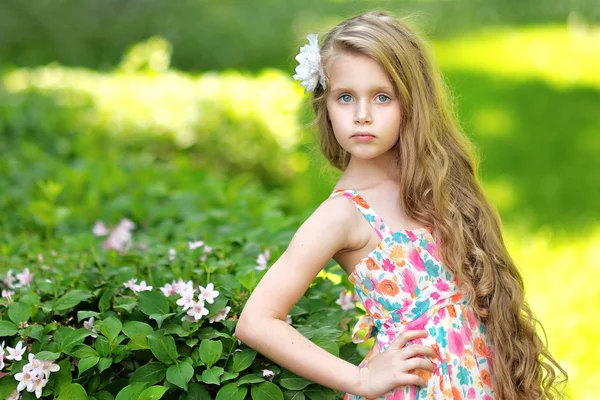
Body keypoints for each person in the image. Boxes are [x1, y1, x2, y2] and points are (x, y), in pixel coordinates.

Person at [235, 11, 567, 400]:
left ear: (412, 102)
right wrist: (359, 380)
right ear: (325, 105)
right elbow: (256, 320)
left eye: (382, 97)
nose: (362, 115)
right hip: (416, 390)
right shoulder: (342, 214)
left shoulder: (436, 184)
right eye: (345, 97)